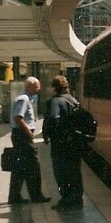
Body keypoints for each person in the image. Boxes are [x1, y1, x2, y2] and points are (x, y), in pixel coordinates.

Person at [43, 75, 84, 210]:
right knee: (75, 171)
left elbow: (55, 120)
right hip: (75, 143)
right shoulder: (74, 100)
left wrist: (49, 135)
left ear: (54, 88)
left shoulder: (55, 102)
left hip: (60, 145)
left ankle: (66, 199)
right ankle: (77, 198)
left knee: (61, 171)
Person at [8, 76, 51, 204]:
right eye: (37, 86)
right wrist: (28, 132)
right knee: (33, 166)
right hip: (22, 136)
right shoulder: (24, 99)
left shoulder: (27, 98)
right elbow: (18, 117)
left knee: (20, 167)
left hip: (20, 135)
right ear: (30, 86)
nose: (39, 89)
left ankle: (14, 197)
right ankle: (36, 196)